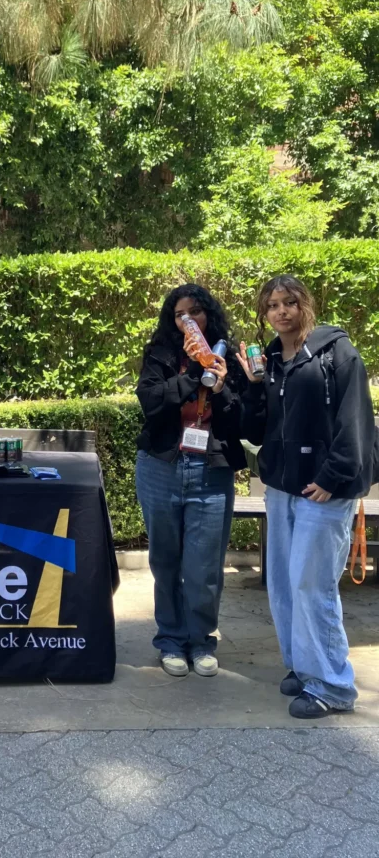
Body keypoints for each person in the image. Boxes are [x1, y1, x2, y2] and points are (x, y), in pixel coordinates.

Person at [239, 274, 374, 719]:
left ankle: (333, 685)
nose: (280, 312)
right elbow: (256, 431)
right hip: (282, 487)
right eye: (272, 305)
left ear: (305, 306)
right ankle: (303, 664)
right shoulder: (273, 361)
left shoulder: (337, 352)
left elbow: (356, 421)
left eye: (289, 303)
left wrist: (334, 476)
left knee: (311, 585)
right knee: (282, 582)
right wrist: (253, 385)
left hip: (323, 490)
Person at [135, 284, 246, 678]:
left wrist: (219, 388)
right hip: (161, 467)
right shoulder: (162, 354)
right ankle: (170, 640)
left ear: (208, 315)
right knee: (165, 562)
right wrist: (192, 377)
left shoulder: (226, 356)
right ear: (173, 321)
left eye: (196, 312)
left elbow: (241, 419)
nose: (189, 320)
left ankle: (201, 641)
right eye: (181, 315)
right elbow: (150, 402)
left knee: (204, 567)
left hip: (210, 472)